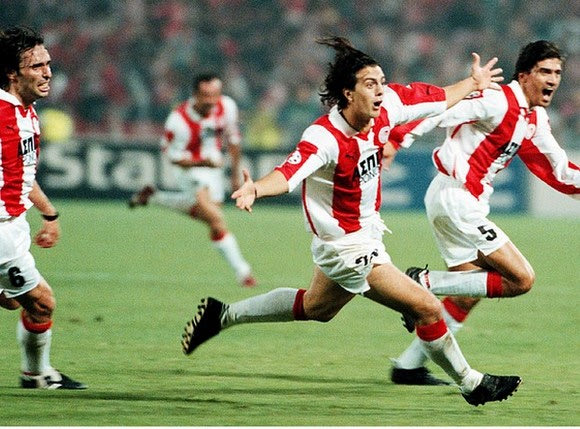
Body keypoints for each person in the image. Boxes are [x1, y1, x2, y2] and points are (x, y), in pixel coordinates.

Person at [180, 37, 522, 406]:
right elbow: (289, 173)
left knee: (317, 308)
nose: (381, 91)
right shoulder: (325, 137)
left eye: (382, 82)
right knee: (426, 307)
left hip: (366, 233)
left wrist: (473, 82)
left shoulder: (388, 107)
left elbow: (438, 99)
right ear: (348, 93)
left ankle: (222, 315)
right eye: (370, 84)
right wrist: (256, 189)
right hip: (344, 247)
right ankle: (472, 383)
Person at [386, 40, 579, 386]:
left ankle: (408, 366)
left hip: (459, 202)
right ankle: (421, 283)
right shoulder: (496, 99)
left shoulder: (534, 118)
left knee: (467, 294)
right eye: (544, 71)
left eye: (557, 73)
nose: (553, 79)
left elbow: (560, 171)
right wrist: (396, 139)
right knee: (521, 279)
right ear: (524, 75)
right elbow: (439, 111)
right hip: (456, 199)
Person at [0, 25, 86, 389]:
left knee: (14, 302)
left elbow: (23, 174)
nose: (48, 72)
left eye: (47, 64)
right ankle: (35, 375)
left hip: (14, 224)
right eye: (36, 66)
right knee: (42, 302)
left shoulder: (28, 113)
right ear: (12, 72)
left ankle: (34, 373)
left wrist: (49, 214)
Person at [129, 73, 257, 288]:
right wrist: (202, 163)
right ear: (195, 94)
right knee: (216, 219)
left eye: (215, 95)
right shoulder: (178, 120)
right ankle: (243, 272)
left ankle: (154, 197)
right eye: (206, 95)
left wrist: (235, 175)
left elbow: (233, 140)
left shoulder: (227, 106)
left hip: (214, 169)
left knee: (211, 219)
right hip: (190, 170)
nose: (211, 100)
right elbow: (172, 156)